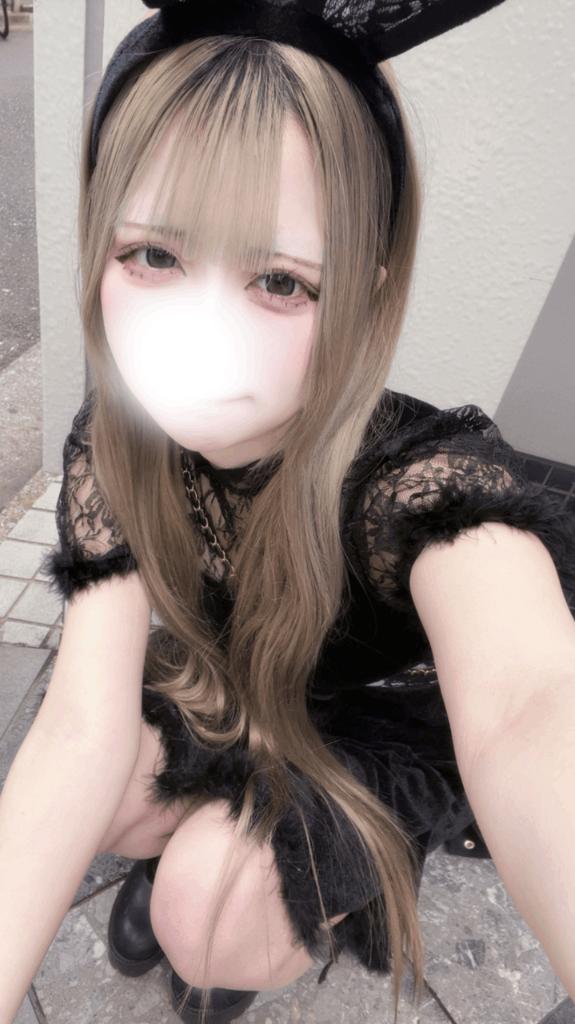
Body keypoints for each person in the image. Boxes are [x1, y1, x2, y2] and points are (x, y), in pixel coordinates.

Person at [2, 2, 573, 1023]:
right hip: (234, 688)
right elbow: (80, 723)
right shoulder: (115, 444)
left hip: (368, 719)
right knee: (107, 788)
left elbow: (530, 709)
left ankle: (267, 888)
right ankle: (207, 831)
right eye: (152, 256)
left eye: (278, 280)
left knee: (210, 911)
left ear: (364, 291)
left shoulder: (409, 485)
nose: (200, 335)